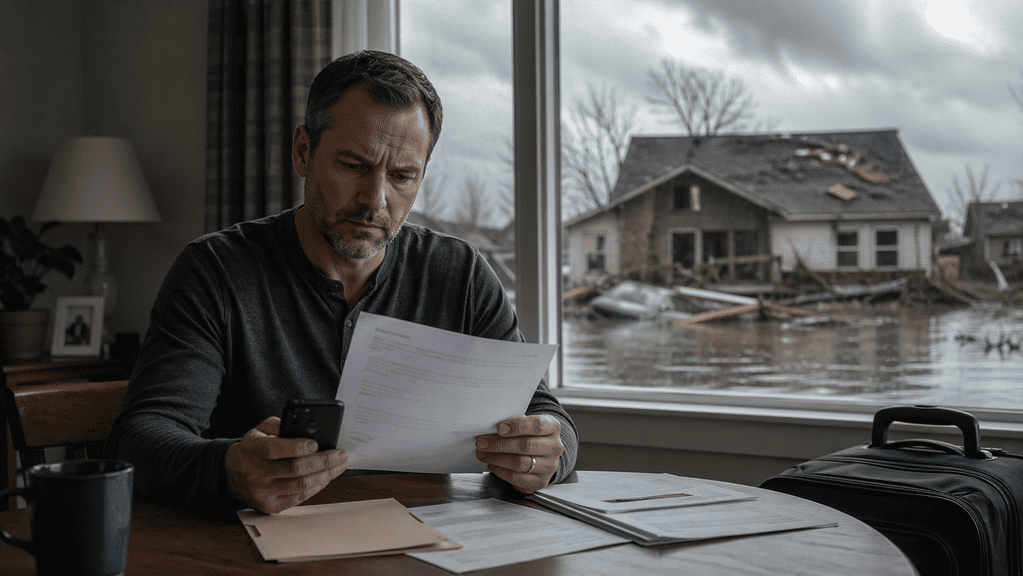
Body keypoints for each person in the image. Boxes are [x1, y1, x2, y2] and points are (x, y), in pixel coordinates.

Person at [107, 50, 578, 515]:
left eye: (402, 176)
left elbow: (549, 418)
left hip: (426, 546)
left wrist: (543, 456)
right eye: (353, 166)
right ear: (302, 151)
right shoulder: (216, 271)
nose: (375, 201)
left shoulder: (461, 274)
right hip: (254, 550)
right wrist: (228, 468)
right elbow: (140, 439)